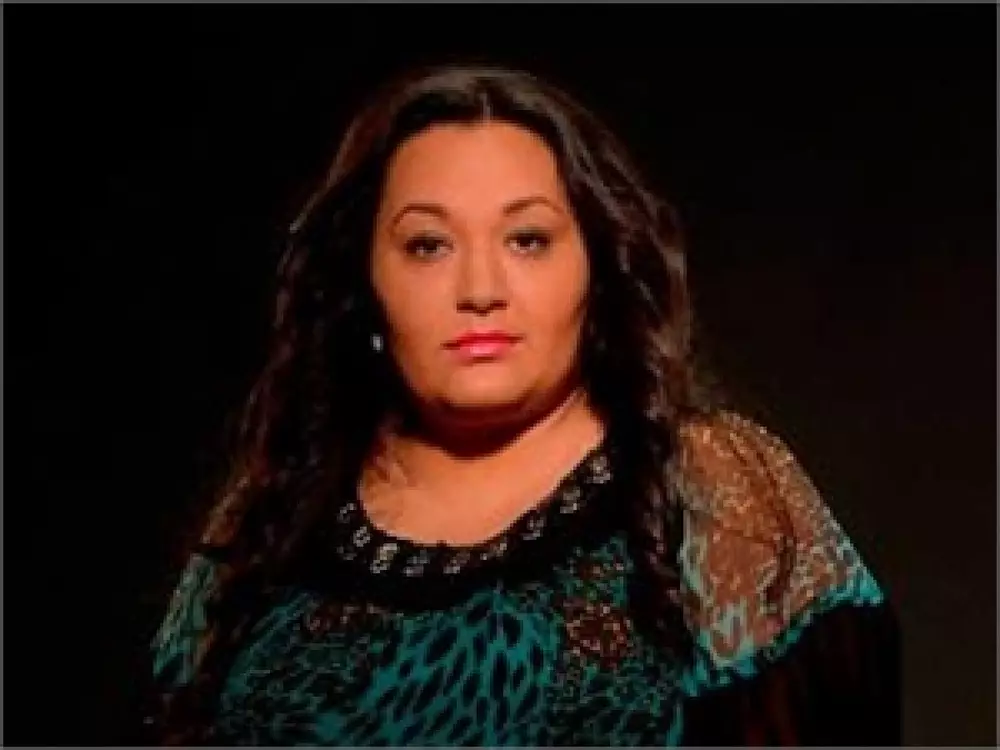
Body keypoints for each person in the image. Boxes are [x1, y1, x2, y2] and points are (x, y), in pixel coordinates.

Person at [142, 64, 901, 745]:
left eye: (528, 239)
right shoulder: (272, 515)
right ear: (362, 281)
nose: (480, 290)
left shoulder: (713, 492)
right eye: (428, 245)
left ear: (597, 266)